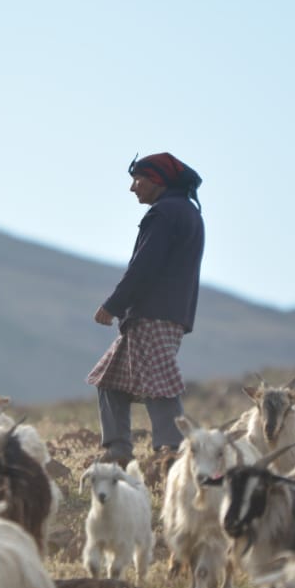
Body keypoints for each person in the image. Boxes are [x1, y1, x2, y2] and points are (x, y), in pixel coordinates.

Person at [87, 152, 205, 467]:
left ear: (158, 180)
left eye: (138, 180)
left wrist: (113, 305)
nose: (133, 188)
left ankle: (171, 450)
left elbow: (144, 266)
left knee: (158, 383)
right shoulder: (188, 212)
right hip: (168, 312)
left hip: (153, 312)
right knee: (109, 381)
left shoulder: (164, 213)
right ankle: (118, 450)